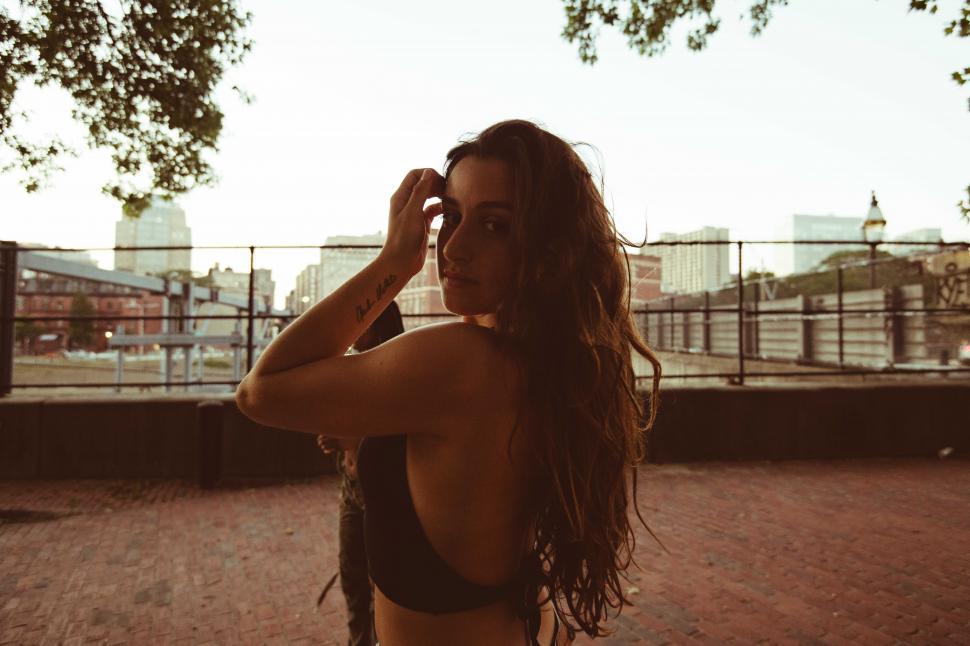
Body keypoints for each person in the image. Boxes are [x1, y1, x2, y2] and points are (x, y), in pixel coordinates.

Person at [236, 119, 662, 646]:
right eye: (453, 217)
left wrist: (395, 260)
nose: (453, 248)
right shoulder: (543, 361)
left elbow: (260, 391)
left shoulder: (458, 362)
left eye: (495, 225)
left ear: (548, 247)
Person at [316, 302, 406, 646]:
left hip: (382, 494)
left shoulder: (397, 367)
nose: (353, 328)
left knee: (381, 581)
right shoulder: (350, 364)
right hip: (351, 487)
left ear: (380, 325)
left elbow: (406, 432)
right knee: (352, 576)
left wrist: (354, 438)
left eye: (361, 320)